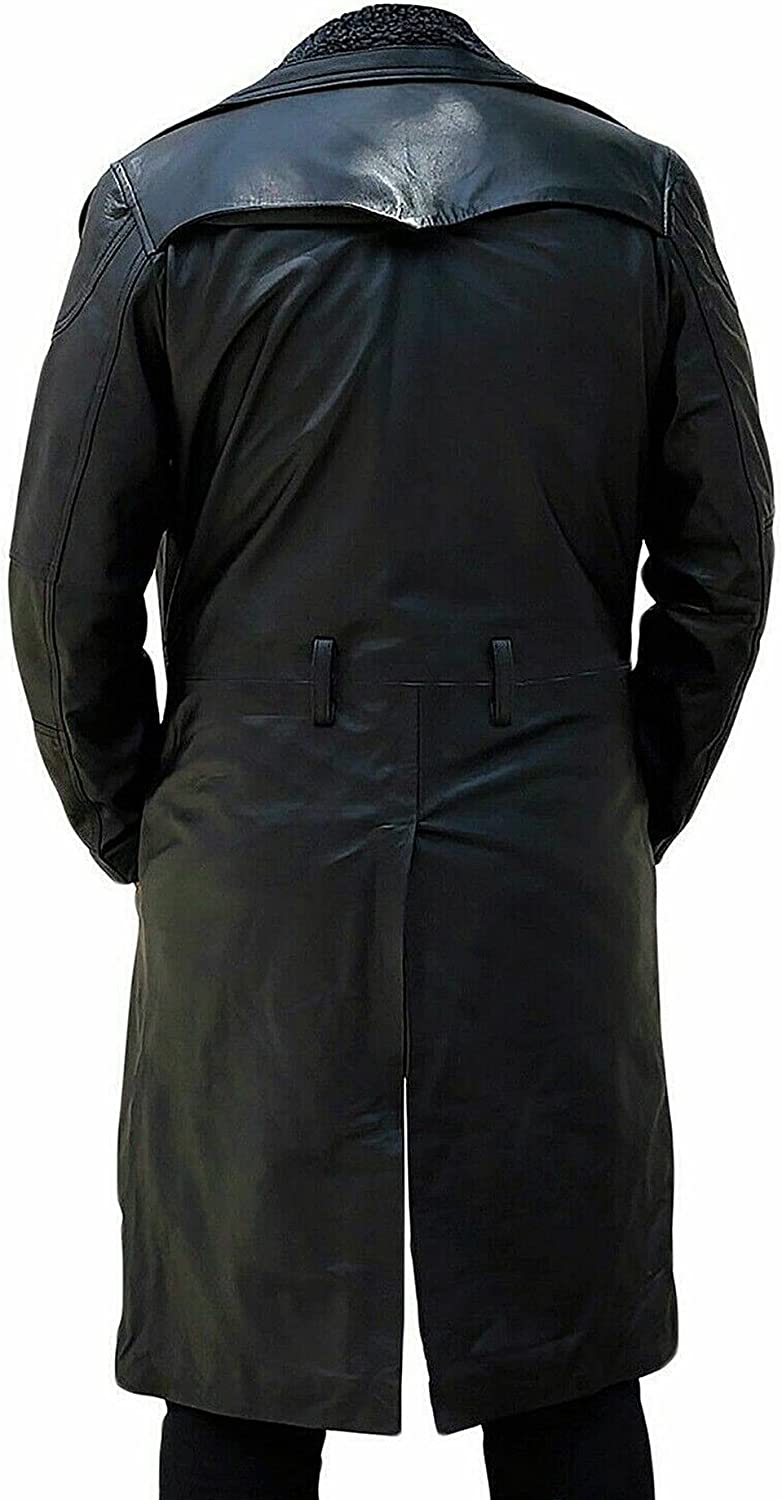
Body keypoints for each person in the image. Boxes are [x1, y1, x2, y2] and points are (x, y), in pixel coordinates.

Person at [8, 5, 773, 1497]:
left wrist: (139, 816)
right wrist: (616, 796)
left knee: (240, 1351)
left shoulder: (164, 203)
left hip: (251, 834)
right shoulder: (635, 199)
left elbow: (59, 584)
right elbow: (724, 566)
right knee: (566, 1354)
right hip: (549, 826)